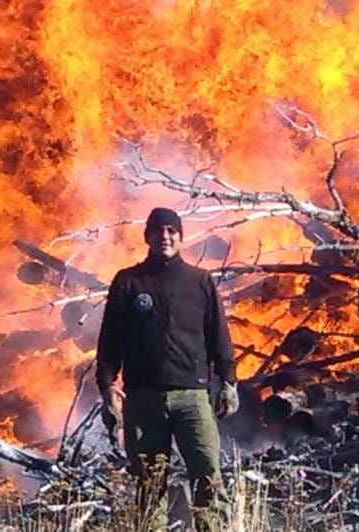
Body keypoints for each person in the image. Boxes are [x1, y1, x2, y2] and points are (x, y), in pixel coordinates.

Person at [96, 207, 240, 530]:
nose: (165, 236)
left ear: (180, 236)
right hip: (143, 399)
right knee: (149, 485)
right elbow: (109, 344)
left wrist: (228, 382)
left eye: (171, 231)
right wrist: (107, 388)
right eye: (158, 231)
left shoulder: (200, 282)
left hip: (192, 398)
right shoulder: (127, 282)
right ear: (147, 236)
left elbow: (219, 336)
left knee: (208, 477)